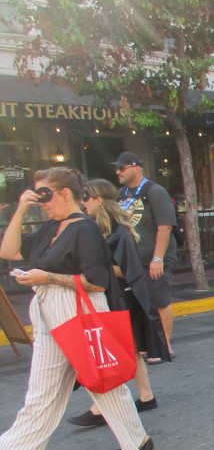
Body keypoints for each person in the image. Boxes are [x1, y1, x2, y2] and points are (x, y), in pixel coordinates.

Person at [0, 167, 153, 450]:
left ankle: (136, 439)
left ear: (65, 193)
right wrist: (21, 210)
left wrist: (48, 277)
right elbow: (8, 251)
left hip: (76, 308)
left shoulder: (85, 229)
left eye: (44, 195)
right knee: (44, 387)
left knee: (101, 381)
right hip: (48, 309)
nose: (41, 202)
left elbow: (97, 282)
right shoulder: (50, 229)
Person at [66, 178, 170, 428]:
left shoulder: (119, 232)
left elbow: (129, 271)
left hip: (122, 296)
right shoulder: (100, 229)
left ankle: (102, 407)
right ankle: (146, 396)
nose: (83, 202)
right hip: (114, 295)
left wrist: (94, 268)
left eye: (86, 197)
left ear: (99, 200)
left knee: (111, 351)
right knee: (128, 349)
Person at [114, 151, 177, 361]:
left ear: (136, 168)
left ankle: (164, 345)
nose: (118, 172)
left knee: (159, 301)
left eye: (122, 168)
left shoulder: (155, 191)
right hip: (132, 259)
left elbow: (165, 226)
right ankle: (144, 345)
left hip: (153, 258)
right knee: (137, 302)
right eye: (117, 168)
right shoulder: (121, 194)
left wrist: (157, 259)